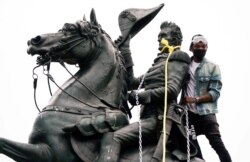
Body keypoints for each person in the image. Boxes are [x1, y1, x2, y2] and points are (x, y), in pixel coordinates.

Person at [96, 21, 193, 162]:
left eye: (163, 35)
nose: (159, 39)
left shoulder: (178, 57)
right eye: (159, 36)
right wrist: (125, 49)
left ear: (174, 39)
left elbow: (172, 90)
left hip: (159, 120)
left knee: (112, 138)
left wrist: (140, 97)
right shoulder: (159, 63)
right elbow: (132, 83)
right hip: (147, 118)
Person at [181, 34, 232, 162]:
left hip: (207, 113)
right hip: (189, 115)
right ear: (191, 47)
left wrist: (195, 99)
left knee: (217, 144)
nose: (201, 48)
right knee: (190, 143)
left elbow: (215, 93)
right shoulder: (184, 66)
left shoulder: (212, 67)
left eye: (203, 46)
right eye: (198, 46)